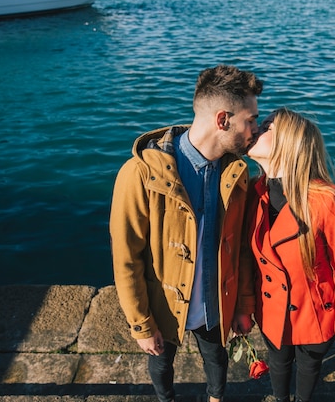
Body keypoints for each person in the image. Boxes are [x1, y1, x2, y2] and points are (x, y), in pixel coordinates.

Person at [109, 64, 263, 402]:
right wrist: (141, 324)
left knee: (217, 360)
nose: (256, 129)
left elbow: (240, 250)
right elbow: (126, 259)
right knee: (161, 364)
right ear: (222, 120)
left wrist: (243, 304)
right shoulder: (139, 174)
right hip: (163, 306)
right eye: (249, 120)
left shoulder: (237, 172)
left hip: (215, 304)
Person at [245, 107, 335, 402]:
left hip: (315, 314)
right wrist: (243, 307)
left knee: (309, 365)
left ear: (290, 143)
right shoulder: (253, 193)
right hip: (271, 311)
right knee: (279, 363)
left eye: (269, 126)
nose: (258, 127)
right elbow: (247, 263)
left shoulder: (325, 200)